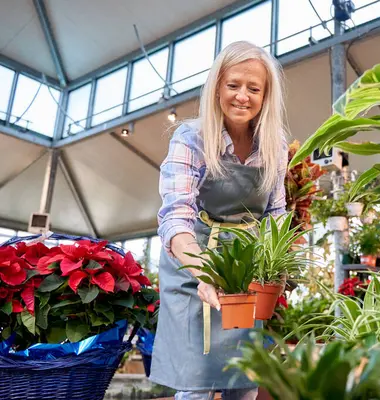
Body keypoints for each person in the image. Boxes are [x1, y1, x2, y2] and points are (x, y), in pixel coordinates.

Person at [150, 41, 288, 400]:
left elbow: (275, 214)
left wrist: (277, 269)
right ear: (217, 88)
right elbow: (175, 218)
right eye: (233, 85)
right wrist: (206, 275)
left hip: (246, 268)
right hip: (194, 265)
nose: (243, 96)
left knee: (243, 380)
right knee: (196, 379)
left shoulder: (274, 144)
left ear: (266, 95)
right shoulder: (191, 137)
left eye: (253, 88)